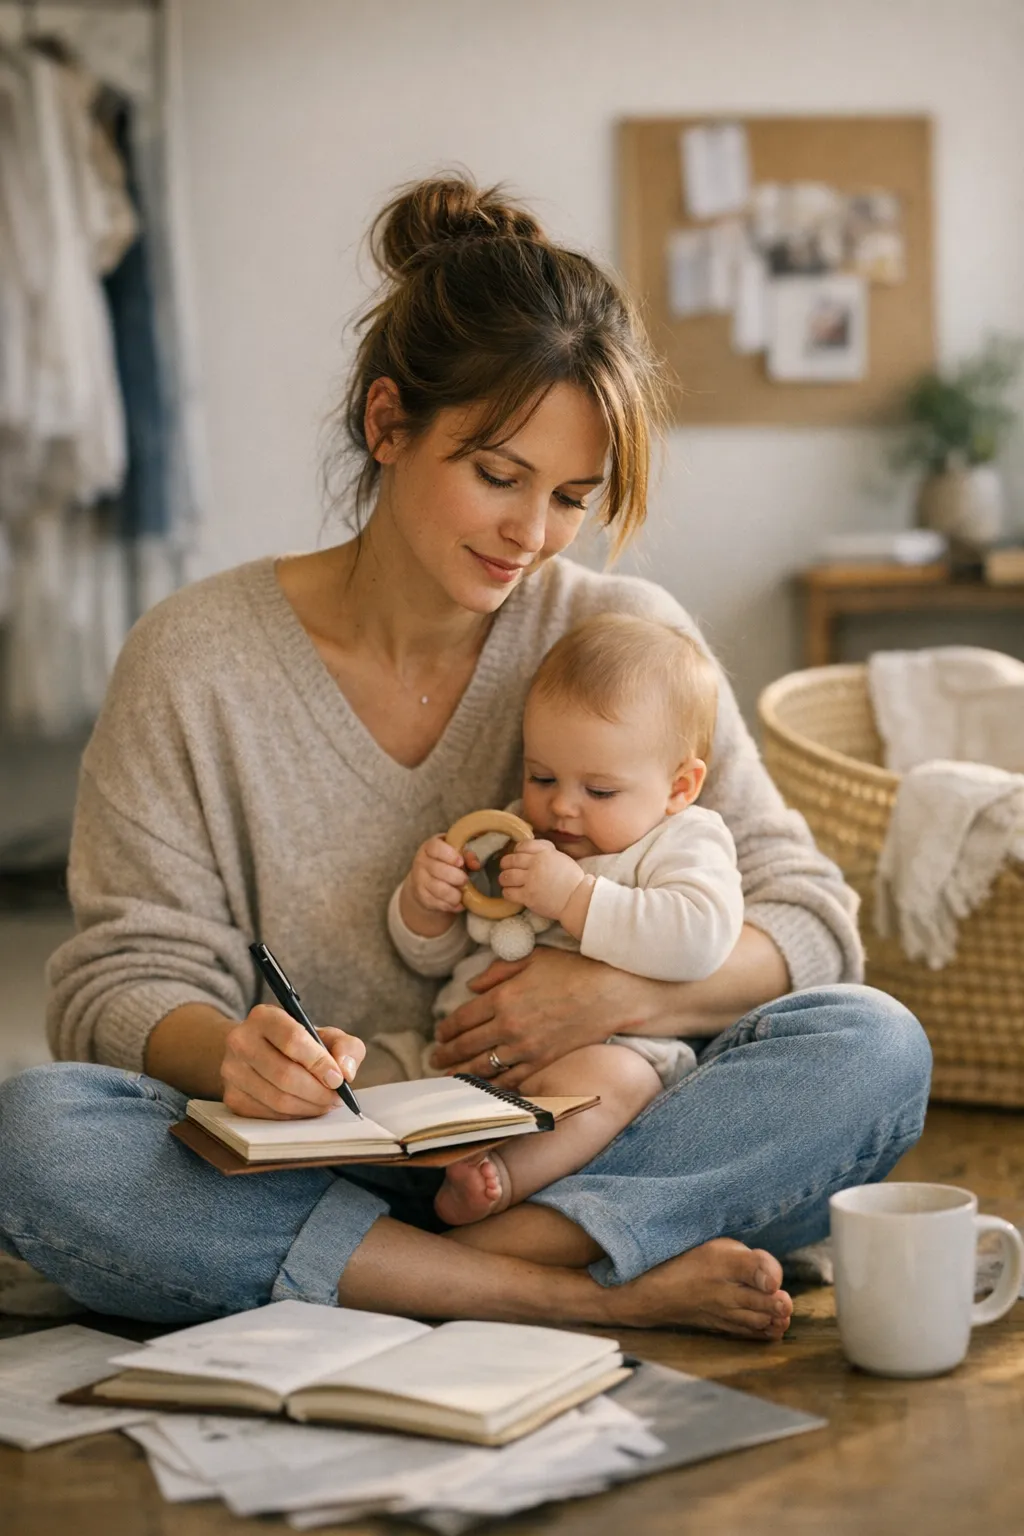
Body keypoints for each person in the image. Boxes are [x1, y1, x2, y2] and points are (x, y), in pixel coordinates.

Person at [0, 175, 932, 1340]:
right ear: (388, 424)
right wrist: (236, 1056)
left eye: (570, 499)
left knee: (870, 1044)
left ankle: (418, 1271)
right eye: (497, 476)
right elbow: (113, 983)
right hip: (308, 1159)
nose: (530, 536)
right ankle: (566, 1287)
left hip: (575, 1138)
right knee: (36, 1136)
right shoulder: (195, 660)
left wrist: (612, 991)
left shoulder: (619, 639)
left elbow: (809, 920)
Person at [387, 613, 744, 1227]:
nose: (561, 807)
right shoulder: (514, 837)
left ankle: (502, 1178)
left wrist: (576, 898)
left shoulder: (681, 840)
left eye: (600, 791)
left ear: (679, 787)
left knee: (615, 1081)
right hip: (457, 1061)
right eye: (541, 777)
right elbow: (439, 958)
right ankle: (375, 1176)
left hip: (606, 1057)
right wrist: (425, 906)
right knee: (362, 1064)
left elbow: (701, 938)